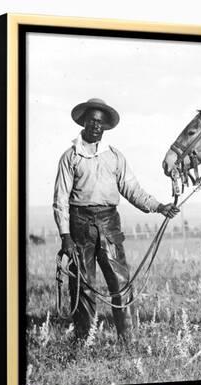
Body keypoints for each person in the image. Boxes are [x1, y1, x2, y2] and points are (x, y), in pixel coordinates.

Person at [53, 98, 179, 342]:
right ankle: (84, 341)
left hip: (109, 224)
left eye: (100, 123)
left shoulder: (114, 157)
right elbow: (60, 199)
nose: (96, 126)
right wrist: (65, 237)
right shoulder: (70, 157)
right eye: (92, 121)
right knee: (82, 284)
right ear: (84, 122)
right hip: (79, 225)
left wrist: (159, 207)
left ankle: (127, 340)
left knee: (120, 282)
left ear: (105, 127)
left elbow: (133, 189)